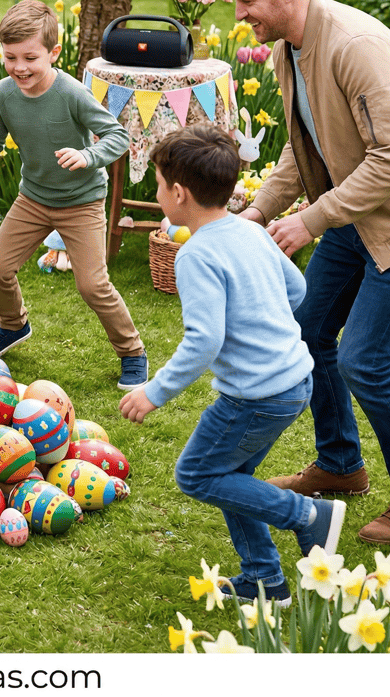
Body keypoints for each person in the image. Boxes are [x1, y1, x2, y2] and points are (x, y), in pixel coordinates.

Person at [120, 124, 345, 605]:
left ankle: (308, 516)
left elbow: (205, 341)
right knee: (232, 478)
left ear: (178, 194)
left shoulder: (196, 253)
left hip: (255, 397)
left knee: (199, 474)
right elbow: (297, 290)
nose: (157, 192)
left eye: (158, 184)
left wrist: (152, 391)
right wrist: (264, 323)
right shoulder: (249, 228)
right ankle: (265, 579)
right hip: (293, 381)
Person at [222, 0, 390, 545]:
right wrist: (258, 211)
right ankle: (341, 465)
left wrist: (311, 219)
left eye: (246, 2)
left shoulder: (355, 47)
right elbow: (304, 147)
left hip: (385, 225)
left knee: (365, 362)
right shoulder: (289, 48)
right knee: (306, 333)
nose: (239, 17)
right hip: (353, 217)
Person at [0, 0, 148, 388]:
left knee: (92, 285)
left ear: (54, 53)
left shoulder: (71, 93)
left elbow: (118, 136)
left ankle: (133, 352)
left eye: (30, 57)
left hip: (82, 203)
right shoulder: (3, 94)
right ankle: (13, 326)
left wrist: (86, 155)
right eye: (10, 57)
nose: (19, 67)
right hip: (34, 199)